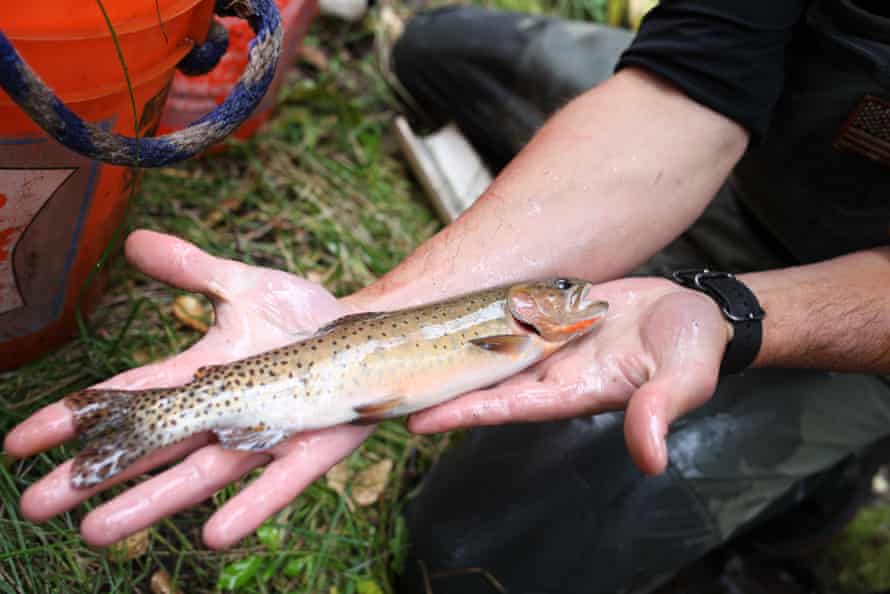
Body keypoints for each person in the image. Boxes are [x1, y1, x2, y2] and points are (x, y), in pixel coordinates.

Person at [5, 0, 890, 592]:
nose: (576, 302)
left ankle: (828, 477)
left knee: (469, 557)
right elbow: (702, 81)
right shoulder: (519, 322)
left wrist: (741, 315)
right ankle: (153, 415)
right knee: (436, 46)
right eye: (563, 295)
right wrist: (381, 304)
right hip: (760, 135)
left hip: (858, 293)